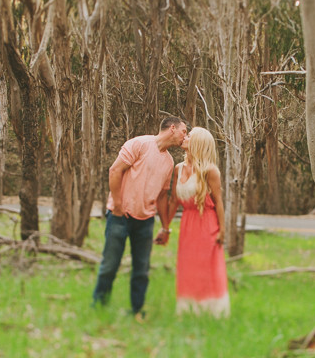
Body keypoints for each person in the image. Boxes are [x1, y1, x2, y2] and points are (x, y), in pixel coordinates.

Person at [92, 116, 188, 318]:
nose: (185, 137)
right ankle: (98, 306)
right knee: (110, 265)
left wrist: (165, 227)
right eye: (184, 132)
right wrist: (117, 205)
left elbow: (163, 196)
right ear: (172, 128)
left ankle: (136, 310)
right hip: (120, 216)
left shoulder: (169, 162)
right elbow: (115, 171)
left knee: (141, 270)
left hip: (145, 221)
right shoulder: (139, 144)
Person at [169, 126, 230, 317]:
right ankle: (189, 310)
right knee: (188, 266)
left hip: (207, 223)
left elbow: (219, 202)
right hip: (188, 224)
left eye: (190, 136)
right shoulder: (178, 168)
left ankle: (212, 311)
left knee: (207, 267)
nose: (185, 137)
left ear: (199, 142)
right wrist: (165, 226)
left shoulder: (210, 171)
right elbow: (173, 201)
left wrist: (222, 230)